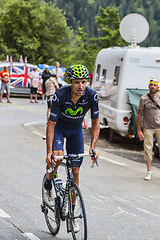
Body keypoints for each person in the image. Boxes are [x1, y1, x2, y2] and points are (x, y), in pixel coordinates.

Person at [43, 65, 100, 231]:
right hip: (59, 128)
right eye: (77, 83)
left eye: (83, 82)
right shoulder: (59, 95)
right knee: (57, 157)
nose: (81, 86)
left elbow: (96, 123)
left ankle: (73, 215)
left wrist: (93, 147)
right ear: (70, 83)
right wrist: (49, 152)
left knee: (75, 172)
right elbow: (51, 125)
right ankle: (48, 183)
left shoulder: (91, 96)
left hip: (76, 131)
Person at [137, 79, 160, 181]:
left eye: (154, 85)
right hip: (148, 127)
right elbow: (139, 114)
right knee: (148, 149)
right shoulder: (143, 99)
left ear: (157, 88)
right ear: (148, 87)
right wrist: (139, 130)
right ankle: (149, 171)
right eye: (151, 85)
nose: (152, 87)